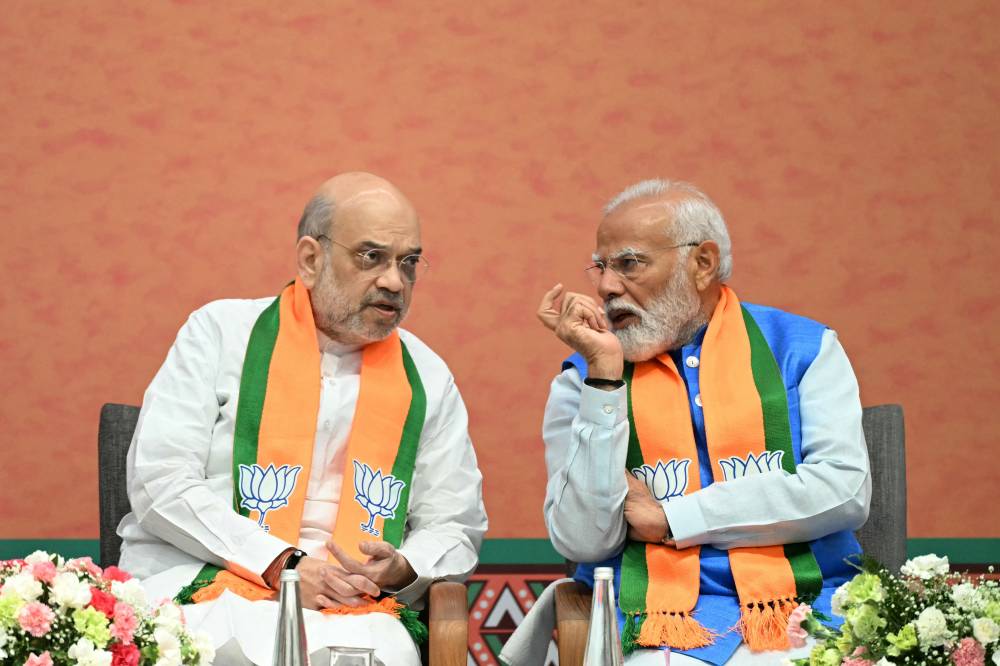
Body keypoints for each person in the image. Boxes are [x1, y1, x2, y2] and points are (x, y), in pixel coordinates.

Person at [118, 172, 487, 665]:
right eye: (371, 257)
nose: (394, 281)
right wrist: (282, 565)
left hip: (358, 608)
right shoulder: (220, 333)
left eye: (409, 263)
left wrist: (402, 566)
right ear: (311, 260)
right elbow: (160, 482)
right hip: (211, 582)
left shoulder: (428, 375)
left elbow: (455, 523)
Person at [533, 179, 870, 665]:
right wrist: (604, 378)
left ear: (703, 263)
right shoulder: (581, 378)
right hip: (657, 625)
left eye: (629, 263)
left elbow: (843, 490)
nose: (606, 287)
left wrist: (673, 518)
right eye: (601, 267)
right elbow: (582, 540)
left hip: (811, 611)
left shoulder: (803, 349)